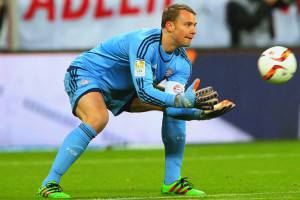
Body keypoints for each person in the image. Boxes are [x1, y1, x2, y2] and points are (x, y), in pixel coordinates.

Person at [37, 3, 235, 199]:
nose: (193, 30)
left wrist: (201, 113)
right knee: (98, 118)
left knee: (173, 105)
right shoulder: (144, 43)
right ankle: (49, 184)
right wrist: (183, 101)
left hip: (123, 89)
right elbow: (145, 93)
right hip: (88, 74)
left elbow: (174, 107)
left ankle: (172, 182)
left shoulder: (182, 63)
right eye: (188, 24)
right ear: (169, 26)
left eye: (195, 25)